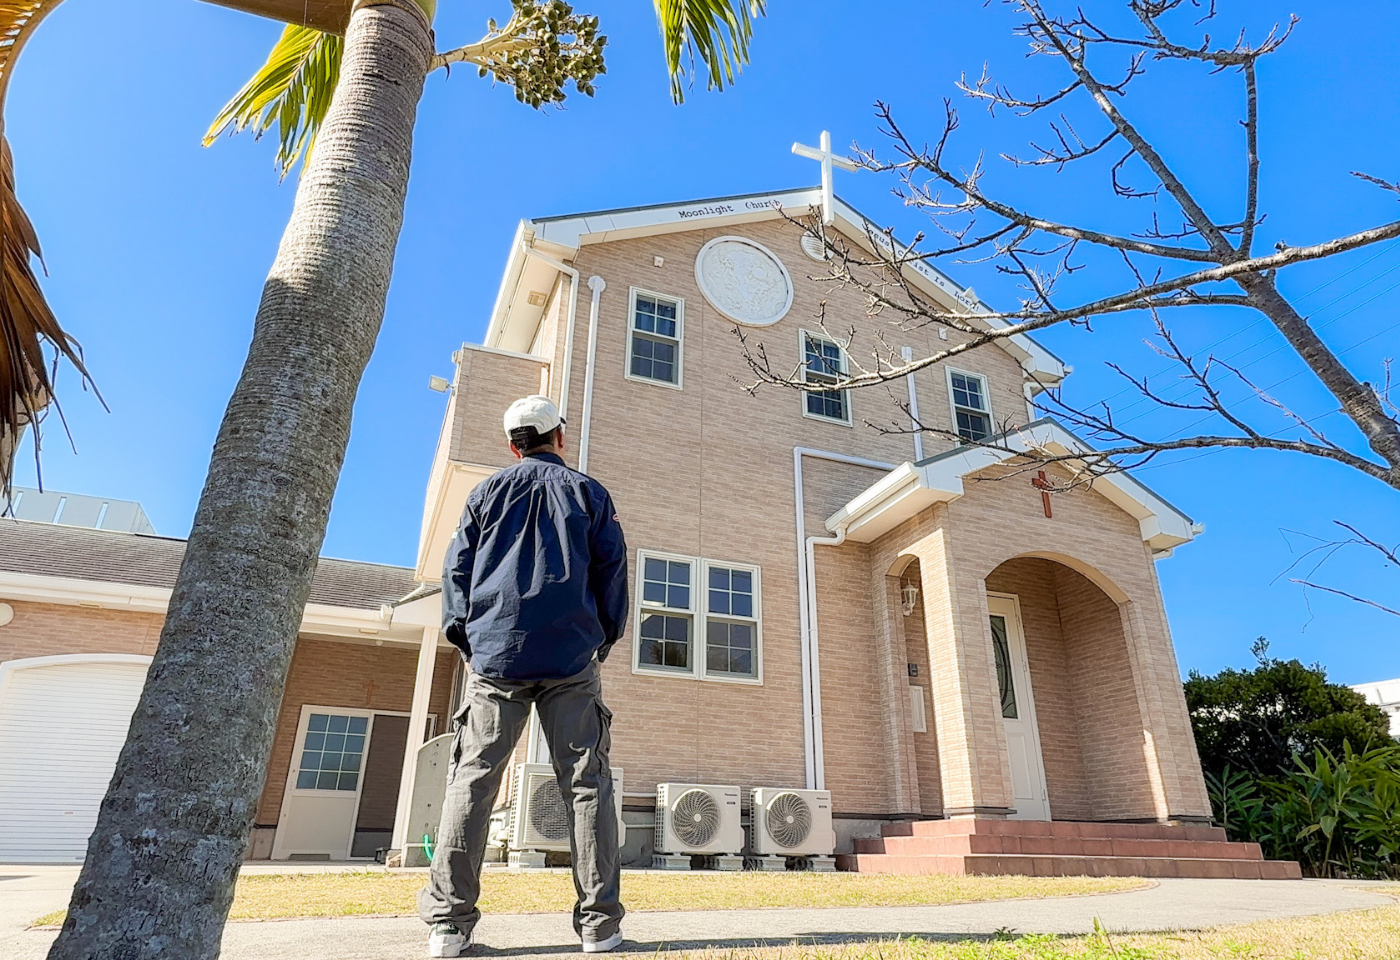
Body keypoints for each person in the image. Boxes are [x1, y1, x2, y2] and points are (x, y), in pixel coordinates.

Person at [420, 394, 629, 958]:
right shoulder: (589, 493)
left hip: (496, 658)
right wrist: (603, 638)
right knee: (587, 786)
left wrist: (466, 637)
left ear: (513, 444)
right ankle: (599, 926)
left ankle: (448, 926)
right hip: (570, 660)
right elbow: (612, 572)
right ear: (558, 436)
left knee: (474, 780)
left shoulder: (484, 493)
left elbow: (456, 570)